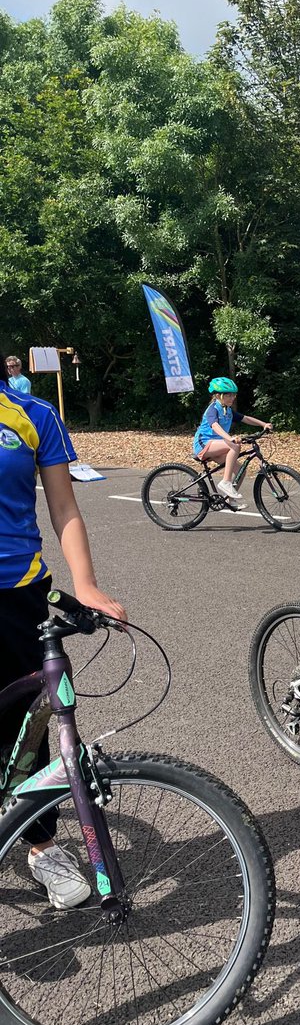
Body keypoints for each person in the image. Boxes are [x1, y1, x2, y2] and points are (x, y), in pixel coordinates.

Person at [0, 356, 126, 909]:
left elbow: (64, 506)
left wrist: (87, 583)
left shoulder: (32, 414)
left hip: (19, 593)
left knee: (28, 726)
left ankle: (41, 846)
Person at [192, 377, 273, 509]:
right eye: (228, 395)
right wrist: (229, 438)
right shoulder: (213, 409)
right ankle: (225, 482)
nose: (232, 397)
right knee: (234, 445)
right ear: (218, 395)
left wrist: (263, 424)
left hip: (217, 444)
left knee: (241, 470)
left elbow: (245, 418)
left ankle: (230, 500)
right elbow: (214, 425)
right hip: (203, 444)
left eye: (233, 394)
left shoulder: (227, 410)